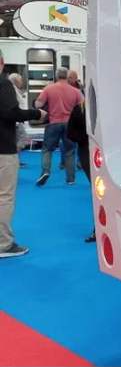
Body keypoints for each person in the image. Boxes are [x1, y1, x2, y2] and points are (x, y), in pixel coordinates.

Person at [0, 52, 46, 258]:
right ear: (2, 62)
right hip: (3, 149)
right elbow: (11, 113)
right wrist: (36, 114)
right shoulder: (3, 84)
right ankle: (3, 244)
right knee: (4, 197)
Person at [34, 68, 83, 187]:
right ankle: (70, 179)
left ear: (56, 76)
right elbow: (82, 106)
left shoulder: (49, 88)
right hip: (69, 124)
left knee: (47, 149)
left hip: (53, 123)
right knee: (70, 151)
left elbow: (38, 104)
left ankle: (45, 172)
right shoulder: (75, 91)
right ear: (67, 76)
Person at [67, 102, 94, 243]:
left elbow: (71, 133)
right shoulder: (80, 108)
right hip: (93, 152)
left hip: (87, 151)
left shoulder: (80, 108)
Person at [8, 74, 29, 166]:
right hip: (16, 120)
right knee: (23, 138)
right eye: (20, 80)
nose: (22, 82)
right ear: (16, 81)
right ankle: (13, 158)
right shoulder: (13, 90)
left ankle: (15, 160)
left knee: (16, 140)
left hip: (16, 120)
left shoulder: (14, 90)